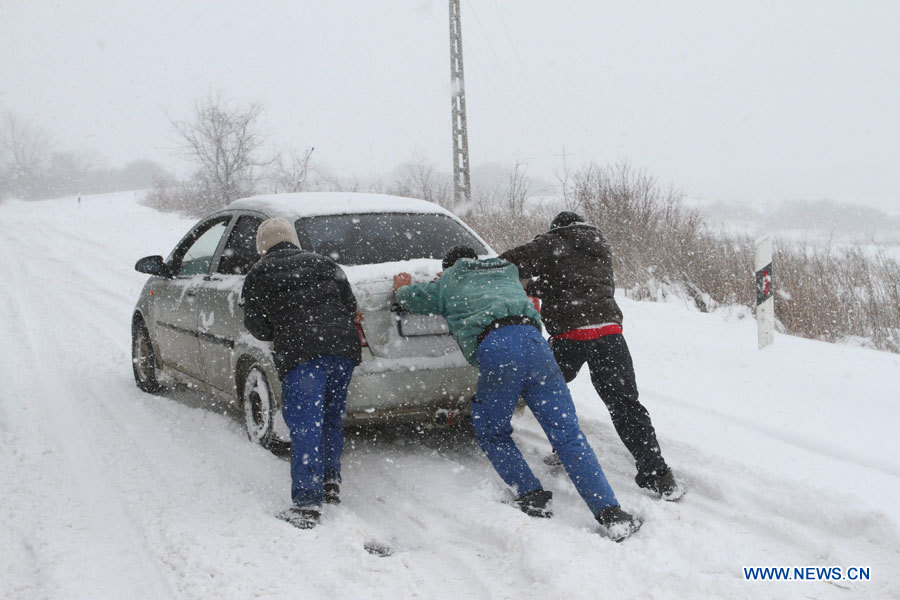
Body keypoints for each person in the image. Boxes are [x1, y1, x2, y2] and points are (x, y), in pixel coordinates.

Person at [393, 245, 642, 541]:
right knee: (568, 434)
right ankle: (611, 513)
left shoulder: (449, 281)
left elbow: (408, 300)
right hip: (537, 346)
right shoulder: (507, 271)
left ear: (449, 267)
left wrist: (402, 288)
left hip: (498, 349)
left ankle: (531, 494)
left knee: (492, 431)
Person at [500, 211, 683, 501]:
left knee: (547, 391)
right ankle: (657, 474)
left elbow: (507, 261)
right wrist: (539, 285)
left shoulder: (553, 242)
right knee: (625, 404)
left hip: (571, 335)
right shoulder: (600, 244)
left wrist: (518, 281)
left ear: (556, 229)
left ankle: (564, 449)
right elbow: (572, 282)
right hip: (609, 334)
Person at [242, 218, 362, 529]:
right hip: (343, 347)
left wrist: (280, 329)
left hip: (302, 351)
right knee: (331, 417)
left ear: (262, 246)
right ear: (293, 240)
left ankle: (307, 504)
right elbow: (350, 305)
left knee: (306, 423)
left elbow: (255, 325)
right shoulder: (324, 263)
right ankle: (329, 480)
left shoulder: (260, 272)